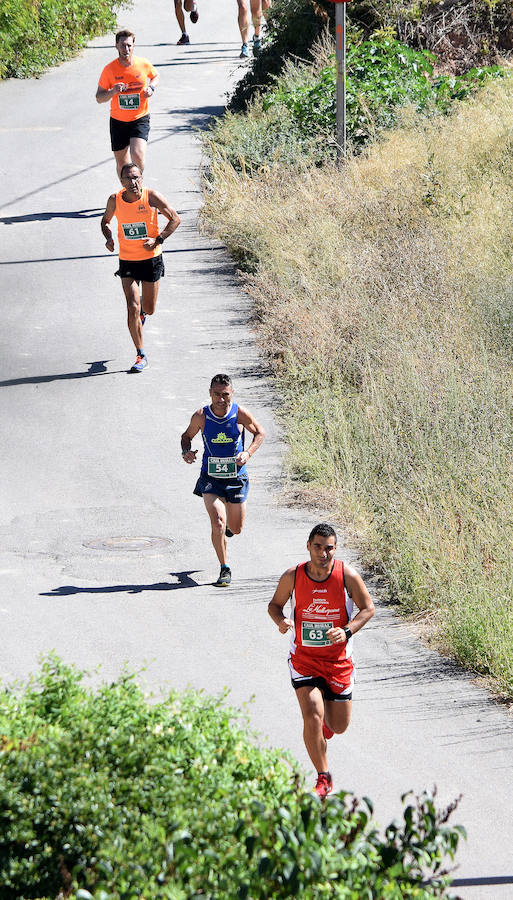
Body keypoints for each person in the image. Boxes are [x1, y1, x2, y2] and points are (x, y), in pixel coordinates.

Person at [268, 523, 375, 798]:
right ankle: (323, 775)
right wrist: (281, 621)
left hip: (338, 661)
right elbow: (274, 605)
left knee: (338, 726)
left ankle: (327, 725)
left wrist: (347, 630)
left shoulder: (346, 575)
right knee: (312, 712)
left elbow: (368, 608)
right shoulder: (293, 575)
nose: (323, 553)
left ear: (335, 549)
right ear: (308, 546)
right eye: (318, 546)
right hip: (304, 659)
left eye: (329, 548)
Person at [181, 374, 265, 586]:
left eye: (225, 395)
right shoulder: (201, 416)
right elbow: (186, 436)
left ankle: (230, 525)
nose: (220, 399)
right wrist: (187, 452)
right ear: (210, 393)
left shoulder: (239, 414)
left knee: (235, 529)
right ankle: (224, 568)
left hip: (236, 478)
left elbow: (260, 433)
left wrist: (248, 453)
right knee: (217, 523)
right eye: (216, 394)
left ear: (232, 394)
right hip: (211, 478)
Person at [100, 163, 181, 373]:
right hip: (127, 260)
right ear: (121, 182)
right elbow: (105, 221)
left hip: (150, 259)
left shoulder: (151, 196)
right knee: (132, 306)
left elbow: (175, 219)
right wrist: (109, 238)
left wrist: (158, 239)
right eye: (128, 179)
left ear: (142, 178)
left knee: (149, 308)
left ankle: (143, 314)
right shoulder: (114, 200)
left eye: (136, 178)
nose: (133, 182)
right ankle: (140, 354)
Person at [96, 29, 159, 178]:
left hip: (139, 118)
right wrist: (113, 91)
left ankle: (138, 185)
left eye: (129, 45)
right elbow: (99, 97)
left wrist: (151, 88)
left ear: (134, 46)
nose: (126, 49)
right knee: (122, 165)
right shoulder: (109, 69)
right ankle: (127, 191)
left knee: (137, 155)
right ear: (116, 46)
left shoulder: (142, 64)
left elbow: (155, 76)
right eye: (123, 45)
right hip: (118, 121)